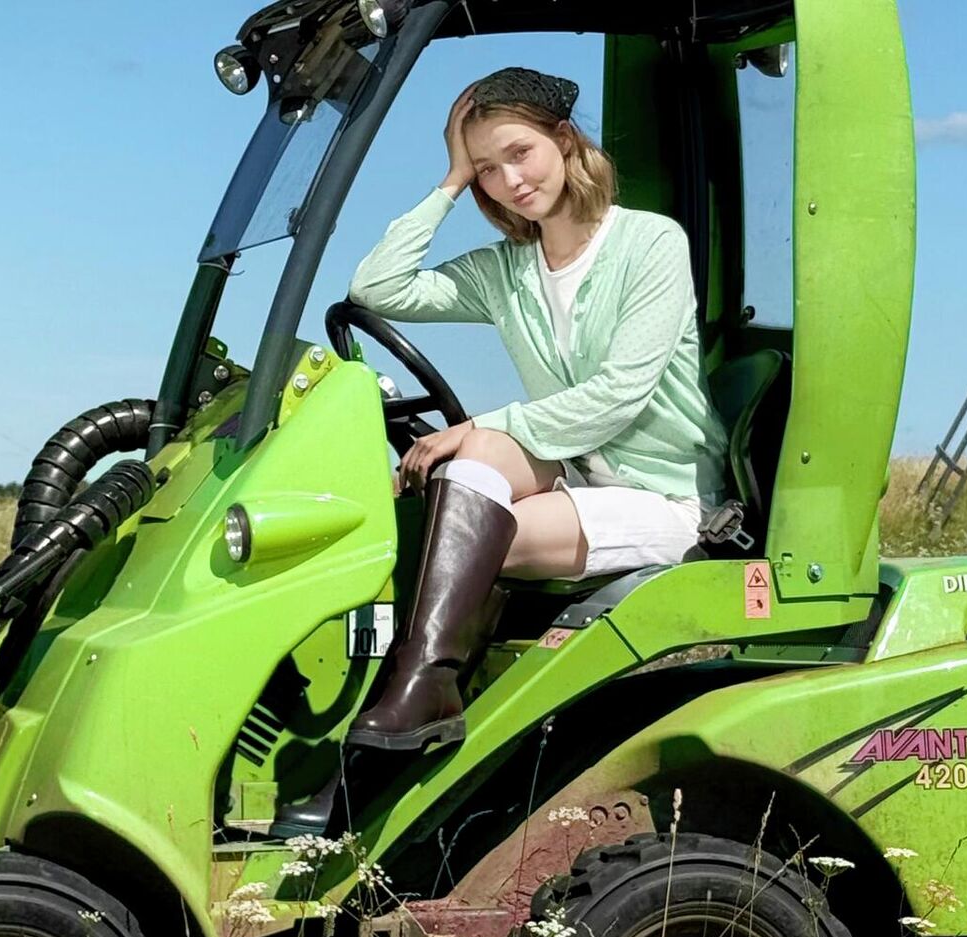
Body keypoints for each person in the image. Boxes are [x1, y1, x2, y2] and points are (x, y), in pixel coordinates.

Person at [270, 67, 729, 835]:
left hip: (664, 495)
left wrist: (486, 423)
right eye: (488, 168)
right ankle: (423, 692)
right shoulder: (506, 272)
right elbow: (376, 287)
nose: (509, 180)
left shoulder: (650, 243)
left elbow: (621, 394)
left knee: (470, 524)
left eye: (519, 153)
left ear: (564, 139)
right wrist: (449, 180)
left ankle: (395, 731)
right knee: (466, 478)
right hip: (573, 475)